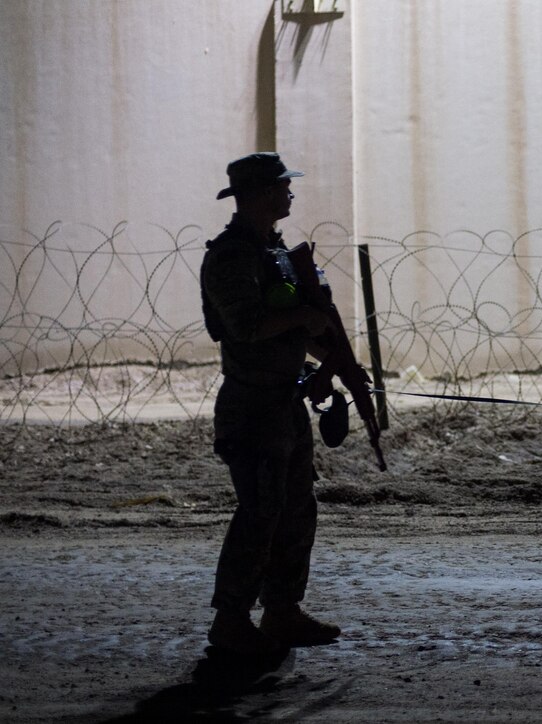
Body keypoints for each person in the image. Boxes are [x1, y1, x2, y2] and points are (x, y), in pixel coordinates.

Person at [199, 152, 340, 656]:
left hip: (284, 402)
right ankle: (231, 620)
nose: (290, 193)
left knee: (296, 510)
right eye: (282, 186)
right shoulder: (233, 255)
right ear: (260, 195)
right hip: (252, 407)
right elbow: (246, 327)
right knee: (260, 513)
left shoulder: (274, 251)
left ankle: (282, 610)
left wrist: (318, 367)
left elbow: (290, 331)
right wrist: (305, 315)